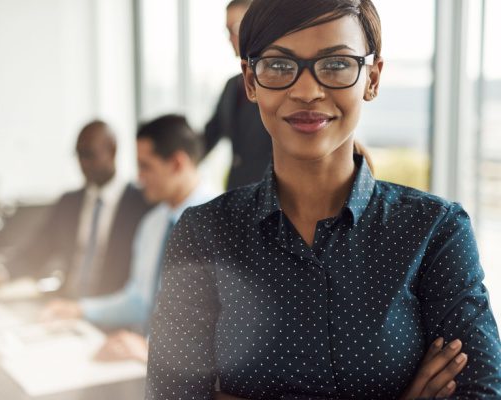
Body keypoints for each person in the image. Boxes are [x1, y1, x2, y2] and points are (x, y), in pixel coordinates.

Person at [146, 1, 501, 399]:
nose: (307, 91)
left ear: (373, 78)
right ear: (250, 80)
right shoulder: (204, 233)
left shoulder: (435, 230)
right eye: (279, 66)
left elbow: (479, 392)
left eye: (335, 64)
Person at [42, 115, 218, 349]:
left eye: (145, 166)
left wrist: (150, 349)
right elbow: (138, 300)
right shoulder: (152, 224)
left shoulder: (224, 224)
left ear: (177, 164)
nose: (139, 177)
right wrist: (80, 310)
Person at [0, 120, 152, 298]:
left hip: (113, 313)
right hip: (66, 306)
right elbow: (36, 250)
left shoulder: (140, 204)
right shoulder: (69, 203)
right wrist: (0, 273)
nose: (83, 163)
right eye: (79, 155)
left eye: (89, 154)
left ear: (112, 150)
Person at [203, 0, 272, 190]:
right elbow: (210, 134)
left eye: (235, 28)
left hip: (270, 196)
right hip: (237, 192)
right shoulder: (232, 85)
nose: (229, 38)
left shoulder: (279, 84)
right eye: (227, 30)